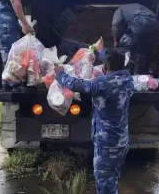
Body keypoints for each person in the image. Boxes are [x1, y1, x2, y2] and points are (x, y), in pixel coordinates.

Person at [56, 49, 134, 194]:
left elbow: (76, 85)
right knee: (112, 178)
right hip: (121, 141)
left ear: (105, 67)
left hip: (107, 143)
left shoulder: (103, 83)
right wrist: (99, 50)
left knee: (104, 182)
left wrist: (60, 73)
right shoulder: (127, 79)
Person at [0, 0, 71, 87]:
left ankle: (19, 78)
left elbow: (26, 3)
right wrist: (24, 24)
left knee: (19, 45)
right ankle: (9, 83)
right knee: (8, 42)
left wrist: (28, 23)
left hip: (12, 7)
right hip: (3, 5)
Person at [112, 3, 159, 75]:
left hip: (140, 21)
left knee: (123, 47)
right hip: (155, 25)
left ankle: (124, 74)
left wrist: (115, 41)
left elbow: (115, 25)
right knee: (144, 51)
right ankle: (145, 73)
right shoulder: (137, 7)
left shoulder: (119, 10)